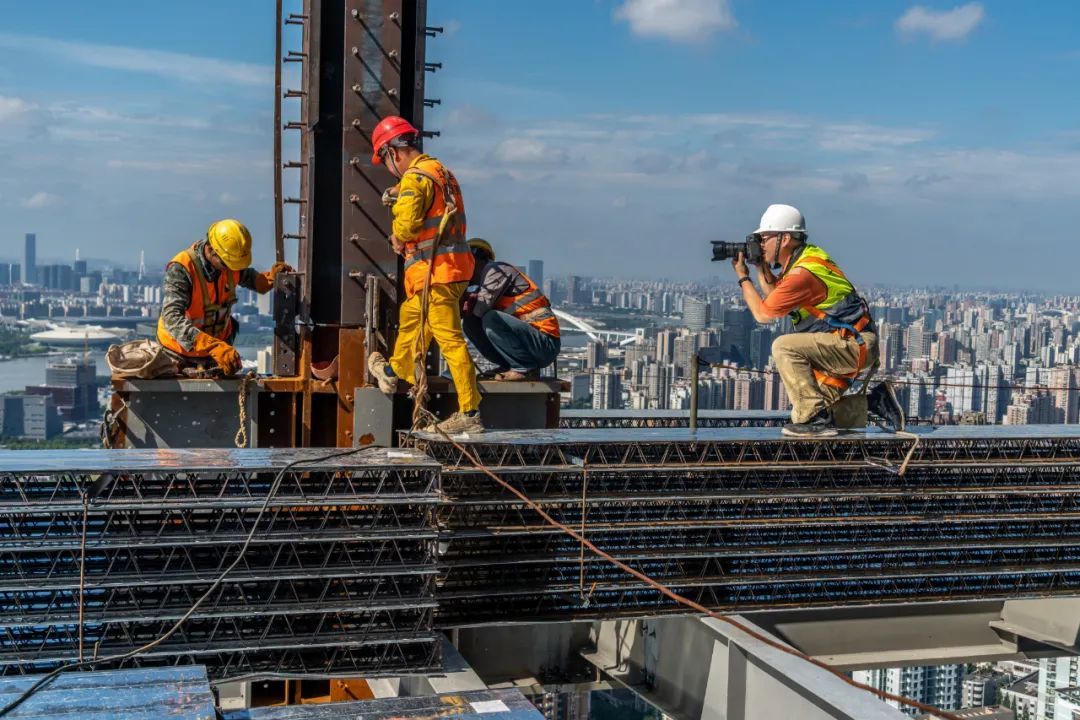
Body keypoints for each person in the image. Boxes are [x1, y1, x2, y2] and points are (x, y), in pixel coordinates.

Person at [731, 204, 905, 437]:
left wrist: (743, 277)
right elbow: (775, 296)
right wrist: (760, 266)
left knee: (783, 348)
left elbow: (763, 314)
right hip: (849, 344)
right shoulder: (804, 259)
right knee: (802, 415)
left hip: (851, 345)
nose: (760, 244)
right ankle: (876, 402)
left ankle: (815, 419)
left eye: (764, 238)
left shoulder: (803, 273)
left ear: (784, 239)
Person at [364, 115, 483, 435]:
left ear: (393, 152)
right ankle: (391, 372)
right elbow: (427, 196)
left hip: (437, 272)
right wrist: (398, 190)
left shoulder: (416, 178)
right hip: (451, 270)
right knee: (413, 321)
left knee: (448, 339)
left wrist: (398, 236)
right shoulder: (439, 171)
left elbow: (408, 223)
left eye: (386, 160)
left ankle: (469, 412)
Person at [157, 219, 290, 375]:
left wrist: (272, 278)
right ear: (212, 250)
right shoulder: (182, 268)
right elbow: (172, 318)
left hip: (215, 353)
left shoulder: (230, 265)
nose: (231, 269)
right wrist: (214, 346)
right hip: (179, 353)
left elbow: (255, 281)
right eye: (228, 263)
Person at [461, 239, 560, 380]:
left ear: (474, 257)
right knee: (470, 324)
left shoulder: (497, 270)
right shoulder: (481, 282)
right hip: (531, 343)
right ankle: (509, 365)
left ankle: (524, 368)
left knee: (491, 318)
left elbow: (480, 310)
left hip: (544, 344)